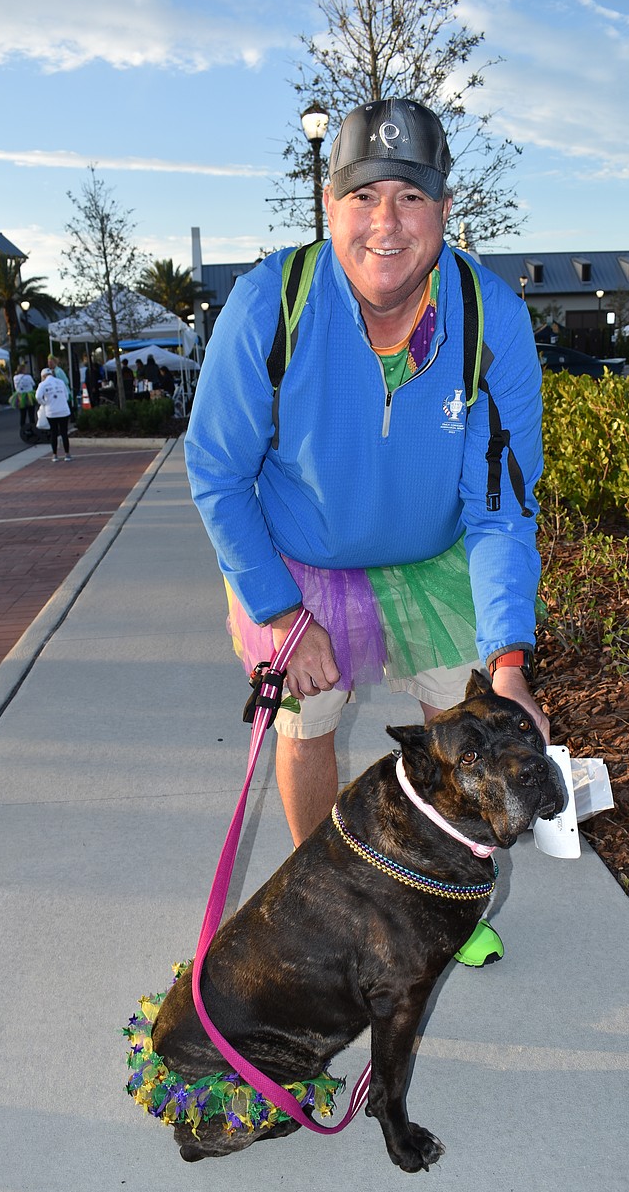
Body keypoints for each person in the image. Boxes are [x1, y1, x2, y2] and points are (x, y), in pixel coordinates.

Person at [185, 99, 547, 965]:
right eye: (364, 196)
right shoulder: (269, 301)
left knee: (463, 725)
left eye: (412, 198)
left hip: (433, 552)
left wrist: (508, 660)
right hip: (300, 558)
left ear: (445, 211)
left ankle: (445, 901)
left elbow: (501, 504)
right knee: (309, 730)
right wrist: (277, 611)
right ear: (329, 203)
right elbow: (218, 471)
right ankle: (333, 898)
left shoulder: (489, 316)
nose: (387, 223)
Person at [35, 366, 73, 461]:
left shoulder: (43, 384)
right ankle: (67, 454)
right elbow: (66, 395)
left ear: (43, 376)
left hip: (51, 412)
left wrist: (45, 403)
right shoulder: (60, 382)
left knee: (54, 432)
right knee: (64, 432)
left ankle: (55, 455)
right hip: (64, 410)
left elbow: (38, 397)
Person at [12, 362, 37, 439]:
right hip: (29, 395)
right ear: (23, 370)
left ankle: (23, 430)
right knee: (31, 414)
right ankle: (33, 429)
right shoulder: (28, 377)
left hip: (20, 396)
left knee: (22, 414)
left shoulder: (15, 377)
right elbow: (33, 384)